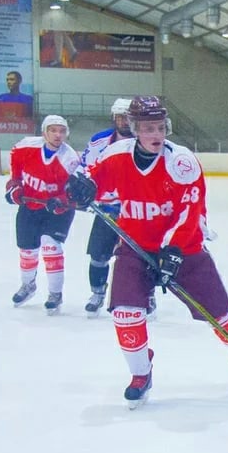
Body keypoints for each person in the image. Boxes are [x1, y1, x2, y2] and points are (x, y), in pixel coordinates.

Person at [63, 95, 228, 407]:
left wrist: (174, 249)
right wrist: (80, 188)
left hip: (185, 249)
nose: (156, 135)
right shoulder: (116, 155)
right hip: (134, 246)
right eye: (148, 128)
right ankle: (141, 373)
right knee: (126, 314)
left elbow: (190, 212)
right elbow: (91, 179)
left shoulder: (182, 162)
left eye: (160, 128)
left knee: (220, 314)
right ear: (135, 129)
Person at [80, 98, 151, 318]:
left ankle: (147, 295)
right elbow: (86, 168)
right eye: (119, 117)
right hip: (107, 209)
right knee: (98, 255)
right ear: (114, 118)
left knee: (141, 258)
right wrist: (85, 190)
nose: (123, 121)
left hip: (138, 212)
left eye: (127, 117)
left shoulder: (146, 141)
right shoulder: (99, 141)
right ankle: (98, 293)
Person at [5, 115, 80, 314]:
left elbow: (75, 190)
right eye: (53, 130)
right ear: (44, 132)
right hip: (30, 206)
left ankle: (55, 293)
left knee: (50, 246)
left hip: (57, 211)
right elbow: (16, 168)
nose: (58, 135)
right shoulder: (25, 147)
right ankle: (28, 285)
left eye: (62, 131)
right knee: (27, 251)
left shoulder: (69, 158)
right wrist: (14, 186)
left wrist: (63, 200)